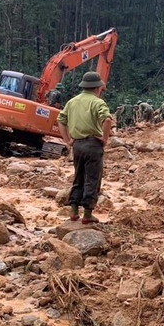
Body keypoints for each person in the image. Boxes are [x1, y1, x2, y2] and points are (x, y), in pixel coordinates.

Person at [57, 71, 113, 224]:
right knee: (93, 180)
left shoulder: (72, 102)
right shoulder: (97, 102)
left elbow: (60, 120)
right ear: (97, 88)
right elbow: (107, 120)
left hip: (78, 145)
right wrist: (105, 139)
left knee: (78, 177)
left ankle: (74, 212)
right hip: (93, 145)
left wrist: (68, 140)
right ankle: (87, 215)